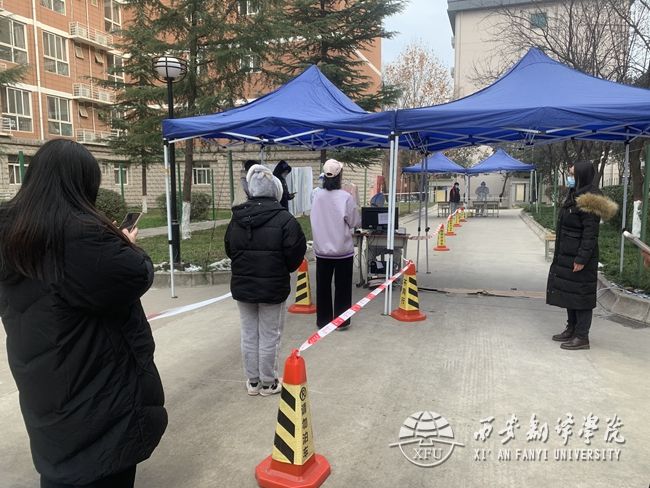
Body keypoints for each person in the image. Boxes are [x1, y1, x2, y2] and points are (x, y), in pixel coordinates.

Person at [0, 139, 167, 488]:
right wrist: (125, 243)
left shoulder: (15, 233)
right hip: (96, 392)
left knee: (61, 466)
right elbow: (136, 274)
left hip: (45, 383)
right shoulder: (79, 236)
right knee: (96, 469)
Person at [225, 165, 306, 396]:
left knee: (249, 334)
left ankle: (253, 381)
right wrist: (282, 269)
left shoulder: (236, 218)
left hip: (243, 287)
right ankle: (269, 382)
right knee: (270, 335)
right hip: (273, 287)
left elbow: (230, 249)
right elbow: (295, 253)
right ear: (276, 190)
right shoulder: (286, 219)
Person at [547, 161, 618, 350]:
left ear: (582, 176)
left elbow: (590, 234)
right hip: (567, 254)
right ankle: (571, 329)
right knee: (570, 294)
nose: (569, 178)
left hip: (580, 257)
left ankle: (582, 336)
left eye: (572, 174)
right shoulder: (574, 195)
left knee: (581, 297)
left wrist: (581, 259)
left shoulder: (590, 200)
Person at [310, 159, 361, 330]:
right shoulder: (346, 197)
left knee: (323, 287)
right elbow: (354, 222)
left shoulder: (316, 195)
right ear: (339, 176)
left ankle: (323, 321)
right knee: (343, 287)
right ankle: (341, 322)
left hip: (322, 251)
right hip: (342, 251)